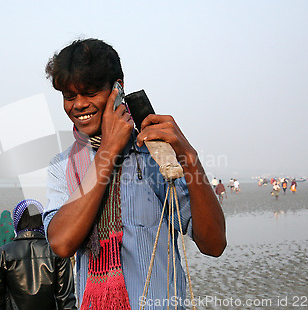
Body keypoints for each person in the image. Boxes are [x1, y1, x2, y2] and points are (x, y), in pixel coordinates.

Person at [43, 38, 226, 309]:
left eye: (90, 92)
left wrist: (188, 157)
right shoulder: (63, 166)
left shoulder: (154, 155)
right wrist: (108, 152)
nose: (78, 105)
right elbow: (61, 243)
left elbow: (213, 244)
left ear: (118, 88)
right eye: (69, 96)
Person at [0, 199, 77, 310]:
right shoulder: (56, 250)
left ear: (17, 222)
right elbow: (66, 298)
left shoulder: (3, 253)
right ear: (42, 220)